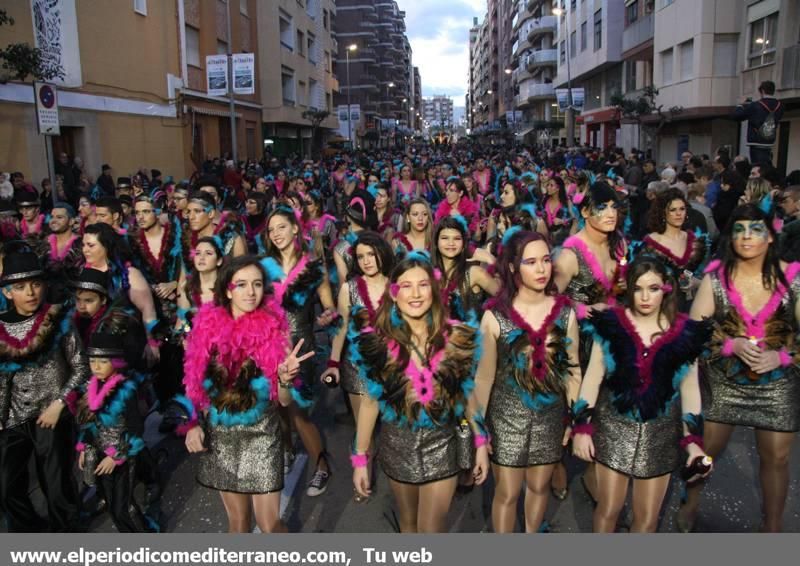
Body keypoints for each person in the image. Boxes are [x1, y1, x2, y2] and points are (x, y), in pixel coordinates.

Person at [680, 204, 800, 533]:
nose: (746, 237)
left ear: (771, 236)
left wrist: (783, 356)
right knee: (708, 451)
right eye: (739, 229)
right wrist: (731, 344)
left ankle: (772, 527)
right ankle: (690, 503)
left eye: (756, 229)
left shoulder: (794, 279)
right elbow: (694, 332)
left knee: (777, 457)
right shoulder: (717, 278)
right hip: (725, 382)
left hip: (777, 383)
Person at [571, 256, 712, 532]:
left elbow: (691, 390)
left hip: (661, 432)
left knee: (646, 520)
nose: (645, 297)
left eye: (654, 288)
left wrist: (693, 441)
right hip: (613, 427)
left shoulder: (685, 334)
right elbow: (592, 379)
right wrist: (582, 428)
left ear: (667, 289)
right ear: (629, 289)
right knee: (608, 509)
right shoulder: (610, 324)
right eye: (638, 288)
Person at [349, 252, 487, 532]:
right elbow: (369, 403)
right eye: (406, 286)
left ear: (434, 290)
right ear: (394, 293)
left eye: (423, 285)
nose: (415, 294)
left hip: (442, 443)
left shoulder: (457, 337)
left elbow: (466, 392)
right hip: (398, 445)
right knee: (408, 525)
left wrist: (481, 440)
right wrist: (361, 459)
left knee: (431, 531)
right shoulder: (377, 343)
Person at [182, 256, 312, 533]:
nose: (250, 292)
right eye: (241, 284)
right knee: (238, 522)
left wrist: (285, 379)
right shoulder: (206, 326)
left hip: (262, 435)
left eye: (256, 284)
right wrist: (193, 423)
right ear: (227, 289)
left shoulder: (276, 329)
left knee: (269, 524)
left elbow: (284, 401)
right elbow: (193, 382)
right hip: (221, 435)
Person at [472, 231, 581, 532]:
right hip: (506, 418)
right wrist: (479, 434)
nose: (541, 269)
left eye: (546, 260)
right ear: (512, 267)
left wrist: (574, 417)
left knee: (539, 487)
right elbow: (483, 378)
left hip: (550, 417)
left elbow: (573, 369)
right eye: (530, 262)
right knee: (506, 494)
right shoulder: (495, 317)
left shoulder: (565, 313)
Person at [0, 250, 89, 531]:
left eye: (36, 284)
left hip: (51, 415)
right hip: (12, 420)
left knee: (57, 487)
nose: (30, 292)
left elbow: (81, 368)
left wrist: (60, 403)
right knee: (5, 488)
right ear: (7, 292)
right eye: (20, 287)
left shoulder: (58, 320)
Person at [261, 206, 337, 496]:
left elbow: (328, 306)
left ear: (295, 229)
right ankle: (288, 450)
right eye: (271, 230)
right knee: (276, 404)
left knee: (297, 411)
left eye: (282, 227)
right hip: (268, 344)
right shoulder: (264, 266)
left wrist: (328, 316)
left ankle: (322, 466)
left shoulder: (312, 266)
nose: (276, 234)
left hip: (300, 344)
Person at [75, 331, 157, 532]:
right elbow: (89, 423)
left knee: (123, 507)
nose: (96, 367)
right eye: (93, 361)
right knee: (112, 504)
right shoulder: (91, 387)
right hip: (100, 452)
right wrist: (84, 447)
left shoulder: (125, 389)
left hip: (122, 453)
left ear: (117, 362)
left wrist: (116, 456)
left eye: (103, 362)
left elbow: (135, 427)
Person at [635, 188, 710, 309]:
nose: (678, 214)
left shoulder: (698, 243)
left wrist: (696, 282)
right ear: (663, 213)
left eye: (682, 209)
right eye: (673, 210)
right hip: (660, 308)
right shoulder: (651, 243)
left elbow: (707, 278)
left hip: (693, 305)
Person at [431, 216, 498, 321]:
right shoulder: (429, 274)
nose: (451, 243)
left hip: (473, 335)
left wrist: (493, 261)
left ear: (463, 243)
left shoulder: (475, 273)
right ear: (436, 242)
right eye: (445, 238)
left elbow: (506, 298)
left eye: (457, 238)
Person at [734, 81, 784, 167]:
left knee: (758, 168)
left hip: (756, 141)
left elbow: (737, 116)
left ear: (762, 91)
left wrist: (740, 105)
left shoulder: (755, 105)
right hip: (769, 141)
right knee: (766, 165)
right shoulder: (780, 106)